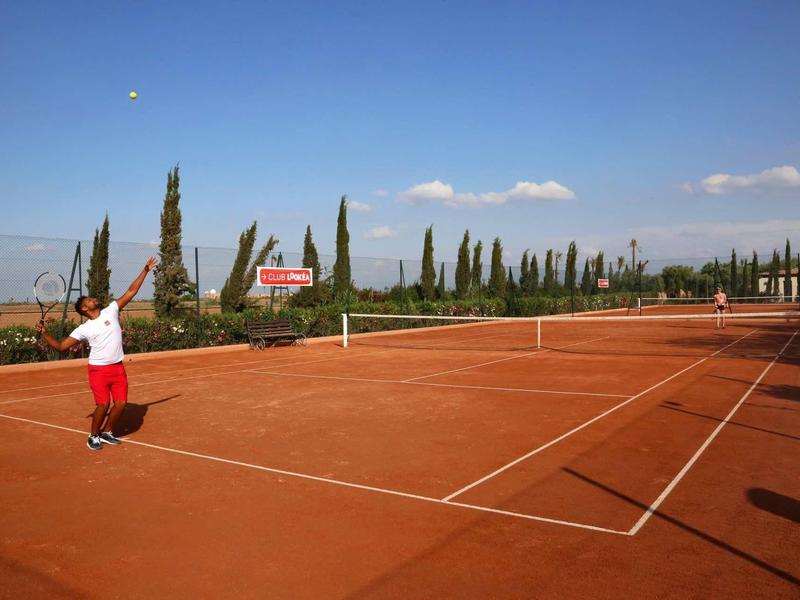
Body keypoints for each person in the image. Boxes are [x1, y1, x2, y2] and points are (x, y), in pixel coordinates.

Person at [37, 257, 158, 450]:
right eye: (90, 300)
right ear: (85, 308)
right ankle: (93, 436)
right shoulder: (84, 329)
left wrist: (145, 270)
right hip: (98, 371)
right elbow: (61, 347)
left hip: (118, 368)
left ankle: (107, 432)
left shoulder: (111, 310)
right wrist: (45, 334)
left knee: (120, 404)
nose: (94, 299)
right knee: (103, 404)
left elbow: (131, 291)